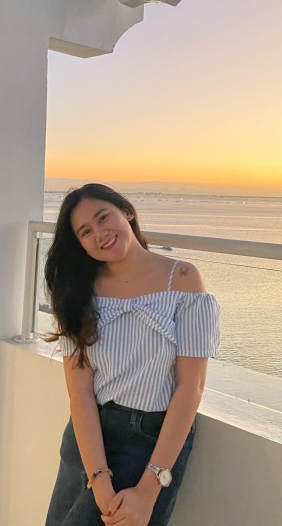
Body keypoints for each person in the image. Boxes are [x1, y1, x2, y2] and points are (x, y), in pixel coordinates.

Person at [45, 183, 220, 526]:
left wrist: (148, 490)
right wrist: (99, 482)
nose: (100, 233)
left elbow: (191, 388)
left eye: (103, 217)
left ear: (126, 211)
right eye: (85, 231)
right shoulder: (78, 293)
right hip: (89, 442)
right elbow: (80, 392)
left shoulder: (182, 280)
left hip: (150, 444)